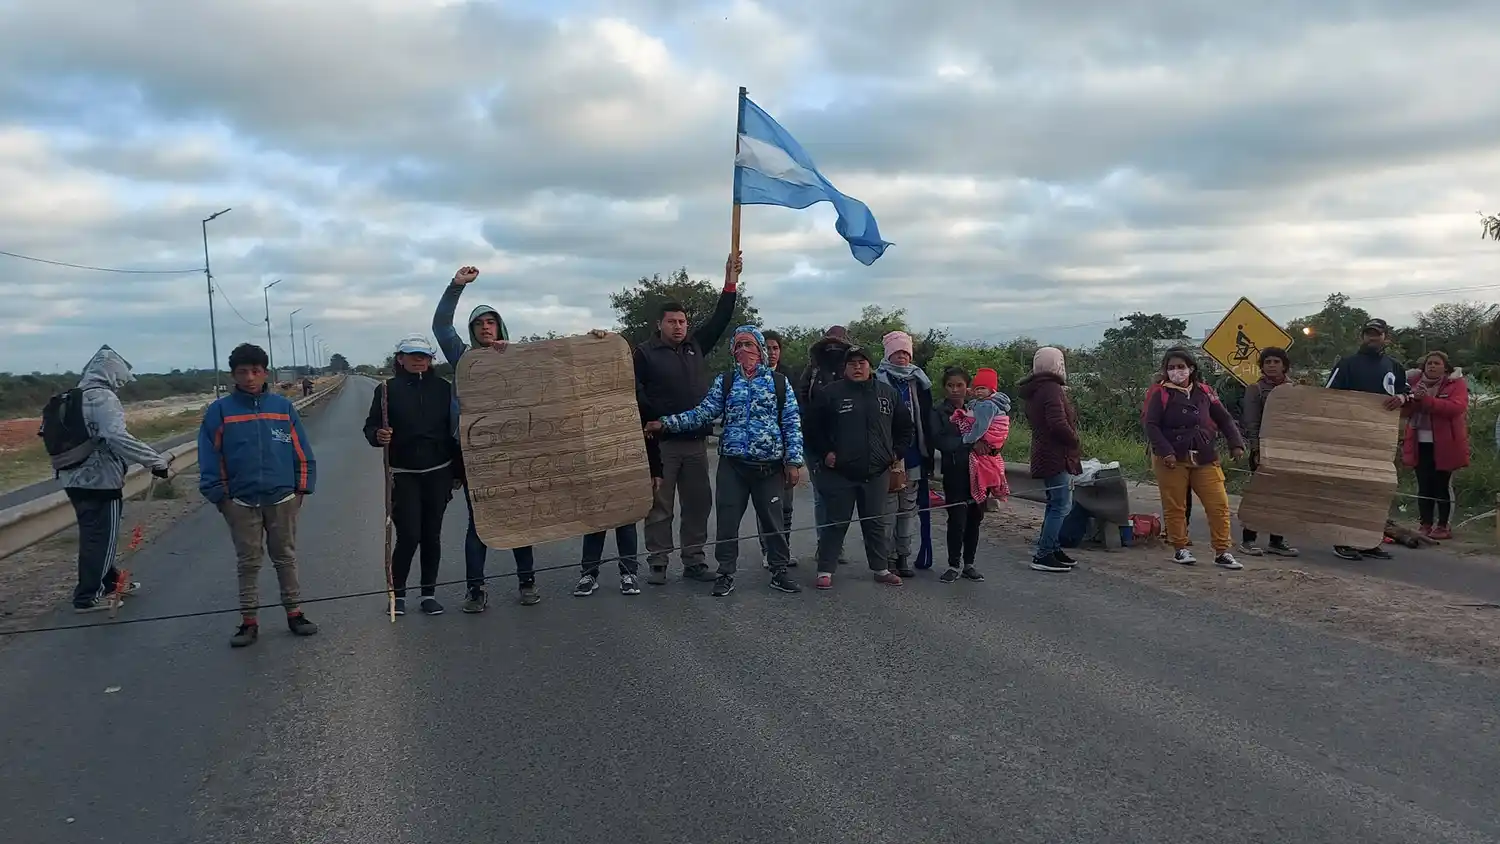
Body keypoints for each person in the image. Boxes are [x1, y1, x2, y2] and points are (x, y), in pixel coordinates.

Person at [647, 325, 803, 597]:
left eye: (749, 345)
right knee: (728, 522)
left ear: (761, 349)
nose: (744, 351)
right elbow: (703, 413)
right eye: (738, 346)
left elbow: (791, 422)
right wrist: (665, 424)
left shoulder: (778, 383)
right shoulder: (727, 381)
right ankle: (726, 573)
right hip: (733, 466)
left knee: (773, 522)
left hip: (769, 467)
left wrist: (793, 461)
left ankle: (779, 570)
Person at [432, 265, 539, 611]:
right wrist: (455, 287)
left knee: (520, 520)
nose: (485, 327)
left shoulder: (516, 360)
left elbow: (558, 367)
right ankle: (475, 590)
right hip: (476, 456)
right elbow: (440, 326)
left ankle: (527, 582)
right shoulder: (464, 359)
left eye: (490, 322)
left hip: (513, 454)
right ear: (472, 330)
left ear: (500, 327)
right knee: (479, 525)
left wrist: (596, 341)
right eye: (479, 323)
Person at [199, 343, 318, 648]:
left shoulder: (283, 408)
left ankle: (295, 613)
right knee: (248, 562)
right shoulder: (220, 411)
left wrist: (301, 488)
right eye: (242, 372)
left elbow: (301, 451)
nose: (249, 377)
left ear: (265, 373)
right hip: (240, 502)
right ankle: (248, 622)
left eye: (255, 371)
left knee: (285, 558)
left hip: (282, 498)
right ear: (233, 376)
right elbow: (210, 457)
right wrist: (220, 498)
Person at [634, 253, 742, 585]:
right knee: (659, 506)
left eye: (682, 322)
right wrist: (656, 419)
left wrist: (730, 282)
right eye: (672, 322)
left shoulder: (697, 345)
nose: (679, 327)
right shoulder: (643, 353)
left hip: (696, 442)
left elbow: (722, 318)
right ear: (659, 324)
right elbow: (635, 392)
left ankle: (694, 560)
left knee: (697, 505)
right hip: (661, 443)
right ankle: (658, 562)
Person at [50, 345, 170, 612]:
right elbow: (116, 437)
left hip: (72, 477)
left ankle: (112, 582)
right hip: (100, 480)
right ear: (113, 373)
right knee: (102, 537)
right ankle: (88, 596)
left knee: (94, 536)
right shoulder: (103, 398)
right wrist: (155, 460)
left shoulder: (73, 396)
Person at [363, 334, 459, 616]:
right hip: (403, 474)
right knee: (409, 535)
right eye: (412, 355)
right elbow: (370, 428)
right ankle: (399, 594)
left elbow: (454, 431)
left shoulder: (444, 389)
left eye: (424, 356)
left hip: (438, 472)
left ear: (431, 360)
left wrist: (457, 472)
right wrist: (378, 436)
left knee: (432, 535)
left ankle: (428, 593)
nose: (419, 360)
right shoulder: (386, 390)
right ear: (400, 359)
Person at [804, 345, 914, 590]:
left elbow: (905, 428)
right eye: (852, 363)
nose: (857, 367)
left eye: (862, 362)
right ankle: (825, 570)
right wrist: (826, 453)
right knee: (835, 522)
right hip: (840, 472)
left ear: (870, 366)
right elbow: (811, 428)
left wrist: (895, 453)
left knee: (875, 522)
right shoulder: (829, 393)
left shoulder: (887, 393)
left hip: (877, 472)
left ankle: (881, 568)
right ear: (844, 367)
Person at [1143, 349, 1246, 570]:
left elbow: (1225, 419)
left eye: (1181, 367)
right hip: (1172, 457)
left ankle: (1222, 551)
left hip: (1205, 456)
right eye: (1171, 367)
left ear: (1191, 368)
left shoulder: (1206, 392)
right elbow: (1151, 425)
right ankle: (1180, 547)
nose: (1176, 371)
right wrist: (1165, 451)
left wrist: (1235, 443)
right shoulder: (1160, 393)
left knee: (1218, 504)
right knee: (1175, 505)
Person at [1325, 318, 1411, 561]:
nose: (1373, 338)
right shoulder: (1347, 364)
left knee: (1375, 490)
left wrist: (1403, 399)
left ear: (1386, 338)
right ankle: (1342, 540)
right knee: (1349, 489)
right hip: (1351, 436)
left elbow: (1405, 391)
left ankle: (1368, 540)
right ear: (1362, 337)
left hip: (1381, 438)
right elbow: (1328, 397)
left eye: (1378, 334)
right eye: (1369, 334)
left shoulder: (1394, 366)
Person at [875, 331, 935, 576]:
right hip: (888, 456)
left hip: (913, 454)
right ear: (889, 354)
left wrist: (928, 453)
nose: (901, 357)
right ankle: (887, 558)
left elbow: (927, 419)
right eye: (897, 352)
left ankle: (903, 556)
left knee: (908, 509)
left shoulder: (919, 381)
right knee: (888, 509)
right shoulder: (877, 381)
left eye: (905, 352)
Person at [1016, 347, 1080, 573]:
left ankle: (1051, 548)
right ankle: (1044, 553)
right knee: (1061, 505)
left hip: (1044, 452)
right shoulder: (1052, 388)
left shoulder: (1036, 389)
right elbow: (1057, 423)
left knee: (1056, 503)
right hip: (1055, 454)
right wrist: (1074, 440)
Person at [797, 325, 853, 562]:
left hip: (846, 443)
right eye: (829, 345)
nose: (833, 349)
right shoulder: (812, 372)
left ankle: (835, 542)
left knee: (843, 496)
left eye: (838, 345)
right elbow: (801, 405)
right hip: (815, 443)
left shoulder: (853, 370)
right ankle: (825, 544)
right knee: (822, 495)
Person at [1402, 350, 1470, 539]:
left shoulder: (1456, 384)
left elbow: (1456, 407)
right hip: (1419, 442)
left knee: (1442, 485)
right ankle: (1425, 523)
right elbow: (1405, 411)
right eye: (1429, 363)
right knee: (1424, 485)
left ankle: (1443, 525)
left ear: (1445, 367)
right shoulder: (1414, 383)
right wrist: (1413, 400)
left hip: (1445, 444)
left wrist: (1427, 400)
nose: (1432, 366)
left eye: (1436, 363)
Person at [1238, 346, 1298, 557]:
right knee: (1260, 497)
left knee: (1282, 499)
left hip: (1287, 451)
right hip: (1264, 449)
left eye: (1276, 362)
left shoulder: (1294, 389)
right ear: (1262, 367)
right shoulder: (1255, 390)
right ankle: (1248, 540)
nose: (1272, 366)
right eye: (1267, 362)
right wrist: (1256, 450)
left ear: (1284, 365)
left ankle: (1277, 541)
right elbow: (1251, 422)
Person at [930, 367, 987, 583]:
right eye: (950, 386)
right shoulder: (938, 412)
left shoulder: (978, 409)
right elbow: (940, 441)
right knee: (957, 519)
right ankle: (953, 564)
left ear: (968, 387)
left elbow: (991, 434)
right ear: (945, 388)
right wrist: (968, 442)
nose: (955, 390)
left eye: (960, 385)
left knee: (975, 518)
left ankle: (969, 564)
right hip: (954, 472)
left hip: (978, 472)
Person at [757, 329, 798, 568]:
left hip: (786, 450)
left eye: (775, 348)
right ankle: (768, 550)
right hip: (762, 452)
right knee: (768, 504)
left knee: (786, 505)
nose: (771, 353)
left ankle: (784, 547)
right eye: (767, 348)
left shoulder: (789, 376)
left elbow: (795, 416)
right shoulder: (750, 376)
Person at [954, 367, 1011, 507]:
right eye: (977, 388)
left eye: (983, 388)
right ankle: (990, 490)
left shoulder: (986, 406)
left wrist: (967, 439)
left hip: (988, 439)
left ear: (991, 390)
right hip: (994, 447)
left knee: (983, 469)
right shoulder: (994, 402)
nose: (979, 391)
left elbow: (980, 427)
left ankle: (985, 489)